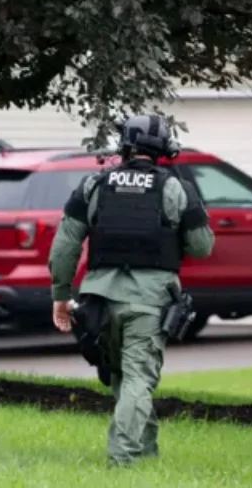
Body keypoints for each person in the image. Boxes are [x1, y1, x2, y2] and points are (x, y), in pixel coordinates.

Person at [48, 114, 214, 467]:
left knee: (123, 377)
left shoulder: (93, 184)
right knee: (138, 378)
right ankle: (122, 462)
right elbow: (202, 247)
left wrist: (60, 296)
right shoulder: (176, 188)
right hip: (149, 302)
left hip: (99, 301)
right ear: (164, 148)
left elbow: (65, 245)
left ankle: (147, 453)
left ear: (124, 145)